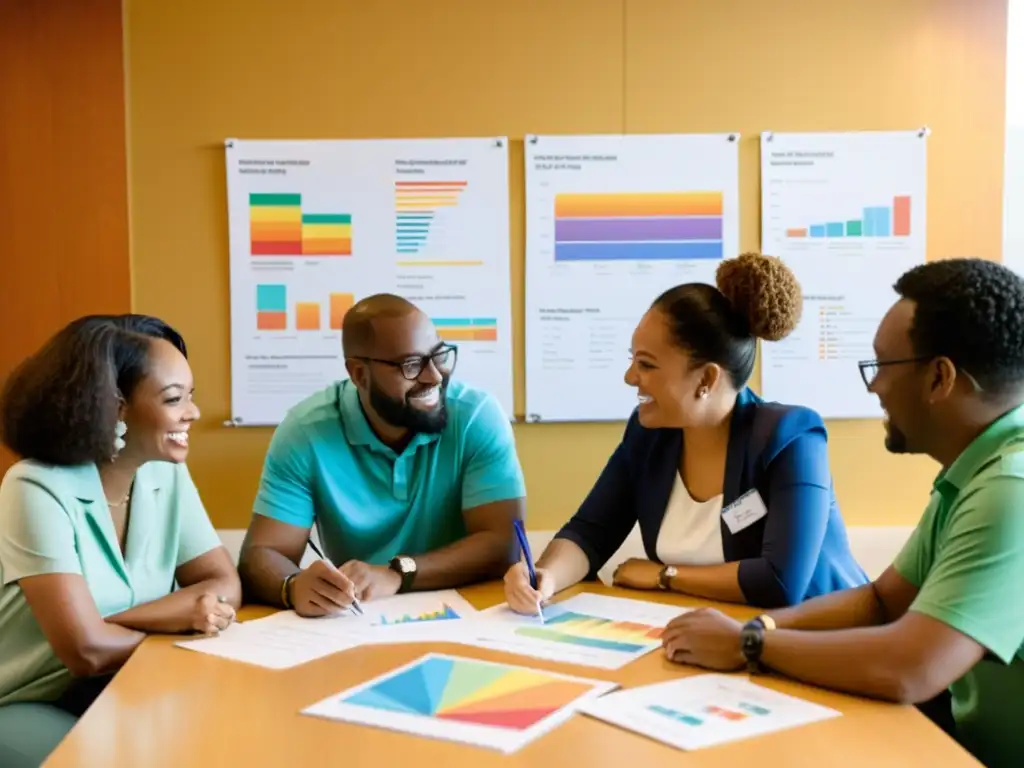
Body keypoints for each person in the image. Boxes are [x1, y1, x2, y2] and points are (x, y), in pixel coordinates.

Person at [660, 258, 1024, 768]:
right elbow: (880, 601)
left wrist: (749, 643)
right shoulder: (973, 473)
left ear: (939, 378)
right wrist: (764, 625)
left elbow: (911, 668)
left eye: (882, 368)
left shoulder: (1011, 488)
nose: (873, 388)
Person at [504, 252, 868, 614]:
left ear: (707, 379)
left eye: (646, 364)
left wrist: (665, 576)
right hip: (716, 639)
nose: (630, 377)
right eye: (632, 359)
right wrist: (546, 576)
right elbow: (589, 533)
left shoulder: (792, 439)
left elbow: (780, 582)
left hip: (827, 641)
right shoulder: (649, 435)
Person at [0, 314, 240, 768]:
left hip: (125, 684)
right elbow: (85, 651)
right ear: (115, 407)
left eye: (192, 396)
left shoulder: (165, 474)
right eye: (174, 399)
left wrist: (122, 621)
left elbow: (222, 582)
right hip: (26, 699)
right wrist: (178, 618)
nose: (193, 413)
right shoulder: (33, 487)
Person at [238, 293, 526, 616]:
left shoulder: (476, 416)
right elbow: (262, 553)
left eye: (439, 355)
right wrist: (292, 586)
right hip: (358, 622)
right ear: (360, 374)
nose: (434, 376)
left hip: (472, 615)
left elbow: (503, 544)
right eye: (412, 365)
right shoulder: (305, 433)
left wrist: (398, 573)